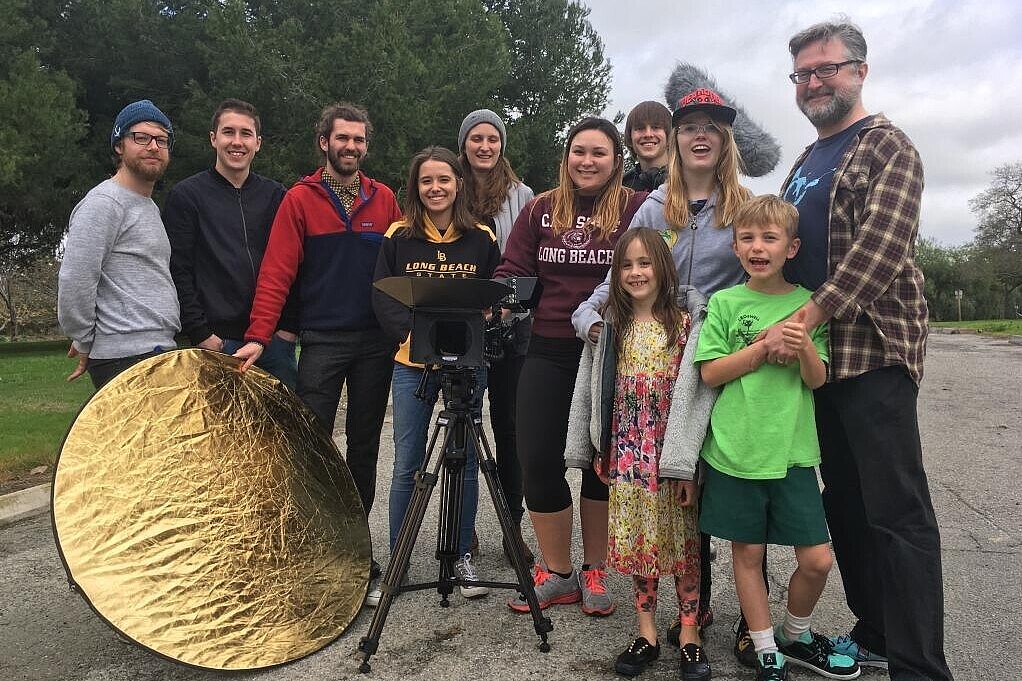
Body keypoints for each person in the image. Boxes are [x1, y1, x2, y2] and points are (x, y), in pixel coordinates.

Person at [761, 20, 953, 681]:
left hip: (872, 357)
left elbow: (879, 252)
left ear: (859, 71)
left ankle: (921, 664)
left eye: (826, 69)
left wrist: (804, 316)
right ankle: (875, 628)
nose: (814, 83)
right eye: (803, 74)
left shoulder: (887, 147)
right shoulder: (804, 162)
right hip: (818, 368)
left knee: (898, 512)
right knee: (844, 503)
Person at [572, 87, 754, 659]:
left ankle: (751, 619)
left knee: (723, 488)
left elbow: (758, 277)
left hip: (717, 361)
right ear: (675, 139)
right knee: (670, 495)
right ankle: (672, 621)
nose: (700, 135)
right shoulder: (654, 208)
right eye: (689, 126)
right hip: (657, 371)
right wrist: (587, 316)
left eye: (712, 127)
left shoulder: (744, 205)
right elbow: (624, 269)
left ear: (726, 139)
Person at [695, 195, 859, 681]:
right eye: (747, 238)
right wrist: (763, 349)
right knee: (747, 555)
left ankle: (795, 633)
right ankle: (767, 651)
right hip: (736, 452)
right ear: (735, 246)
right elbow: (710, 373)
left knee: (817, 559)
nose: (757, 247)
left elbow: (817, 380)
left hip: (792, 455)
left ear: (792, 247)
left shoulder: (808, 306)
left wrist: (804, 343)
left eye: (769, 238)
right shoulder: (724, 303)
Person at [494, 117, 646, 615]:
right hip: (548, 346)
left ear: (616, 161)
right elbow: (512, 269)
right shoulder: (541, 208)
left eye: (599, 153)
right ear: (566, 158)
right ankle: (558, 573)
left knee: (599, 463)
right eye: (579, 151)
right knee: (537, 457)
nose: (588, 161)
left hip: (611, 350)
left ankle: (594, 569)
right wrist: (496, 300)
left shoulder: (636, 208)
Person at [233, 102, 401, 542]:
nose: (351, 146)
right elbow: (276, 272)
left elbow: (404, 270)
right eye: (342, 138)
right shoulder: (300, 199)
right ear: (324, 142)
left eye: (358, 139)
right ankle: (314, 541)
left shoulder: (383, 199)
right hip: (323, 341)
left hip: (374, 343)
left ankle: (356, 544)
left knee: (364, 449)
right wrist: (258, 336)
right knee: (314, 444)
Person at [565, 229, 715, 680]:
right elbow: (592, 388)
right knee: (637, 546)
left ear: (664, 268)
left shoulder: (688, 325)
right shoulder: (610, 325)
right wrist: (597, 442)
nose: (635, 272)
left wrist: (691, 464)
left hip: (671, 456)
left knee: (684, 548)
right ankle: (646, 632)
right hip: (627, 455)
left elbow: (698, 397)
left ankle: (689, 633)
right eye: (626, 265)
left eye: (645, 263)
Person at [370, 146, 501, 605]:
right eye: (426, 181)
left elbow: (495, 296)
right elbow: (382, 293)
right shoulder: (399, 235)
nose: (436, 188)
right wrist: (408, 333)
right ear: (416, 187)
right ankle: (399, 559)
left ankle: (461, 555)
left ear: (458, 183)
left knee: (463, 464)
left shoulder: (482, 237)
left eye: (443, 179)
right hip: (412, 366)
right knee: (408, 463)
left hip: (467, 366)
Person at [163, 99, 297, 388]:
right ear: (214, 139)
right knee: (219, 432)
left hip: (274, 342)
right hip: (217, 342)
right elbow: (178, 271)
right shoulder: (187, 197)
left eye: (245, 134)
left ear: (258, 143)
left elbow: (295, 264)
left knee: (279, 431)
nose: (237, 142)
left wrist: (288, 328)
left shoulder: (276, 196)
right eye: (228, 132)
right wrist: (200, 333)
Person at [457, 109, 536, 563]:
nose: (485, 146)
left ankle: (513, 526)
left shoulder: (522, 194)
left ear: (501, 144)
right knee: (464, 428)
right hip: (465, 328)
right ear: (465, 143)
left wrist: (508, 306)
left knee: (511, 430)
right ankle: (464, 529)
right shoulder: (451, 187)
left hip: (512, 327)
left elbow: (525, 259)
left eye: (492, 138)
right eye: (476, 138)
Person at [58, 99, 180, 390]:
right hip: (126, 358)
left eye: (162, 140)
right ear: (118, 145)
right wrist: (84, 339)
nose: (153, 146)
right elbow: (76, 279)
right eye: (141, 137)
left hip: (155, 352)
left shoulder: (146, 205)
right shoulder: (104, 204)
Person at [621, 101, 672, 192]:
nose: (648, 134)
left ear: (669, 135)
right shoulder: (621, 188)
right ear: (630, 138)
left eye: (656, 127)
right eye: (640, 128)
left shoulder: (690, 179)